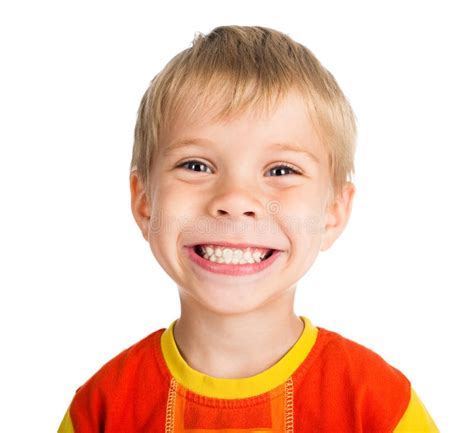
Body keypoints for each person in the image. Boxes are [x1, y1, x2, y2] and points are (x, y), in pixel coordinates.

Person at [58, 25, 439, 432]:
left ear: (334, 210)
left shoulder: (379, 405)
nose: (236, 199)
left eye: (281, 170)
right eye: (196, 165)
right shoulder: (100, 409)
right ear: (143, 200)